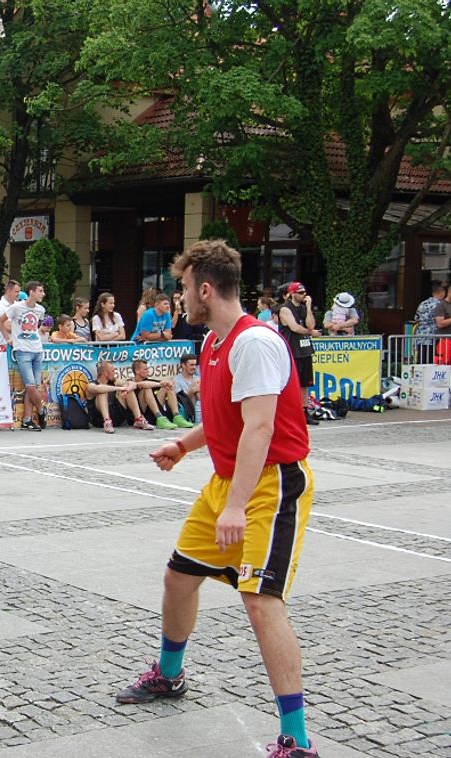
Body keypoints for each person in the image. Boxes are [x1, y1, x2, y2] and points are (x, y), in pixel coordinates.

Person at [117, 239, 317, 758]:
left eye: (184, 289)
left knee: (260, 600)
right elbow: (226, 420)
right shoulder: (212, 343)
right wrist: (183, 444)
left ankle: (296, 741)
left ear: (205, 289)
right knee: (179, 576)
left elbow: (259, 428)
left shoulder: (255, 343)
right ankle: (169, 674)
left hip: (270, 486)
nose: (181, 298)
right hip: (228, 481)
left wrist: (236, 505)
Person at [0, 280, 48, 431]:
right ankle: (41, 409)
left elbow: (35, 328)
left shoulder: (40, 310)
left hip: (37, 349)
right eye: (40, 291)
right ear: (31, 292)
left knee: (33, 386)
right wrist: (7, 337)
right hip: (22, 349)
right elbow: (0, 321)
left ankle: (27, 418)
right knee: (31, 385)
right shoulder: (16, 307)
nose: (42, 294)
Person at [277, 282, 321, 426]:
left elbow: (311, 324)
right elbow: (294, 327)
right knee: (291, 383)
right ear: (292, 293)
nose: (303, 295)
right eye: (300, 293)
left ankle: (304, 410)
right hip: (292, 350)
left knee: (305, 383)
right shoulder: (285, 309)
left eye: (304, 293)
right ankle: (289, 412)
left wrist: (308, 307)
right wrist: (311, 332)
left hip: (305, 348)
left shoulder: (303, 308)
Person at [85, 360, 149, 433]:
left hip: (117, 418)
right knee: (102, 392)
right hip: (99, 420)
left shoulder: (115, 381)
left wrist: (127, 388)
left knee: (128, 390)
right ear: (105, 373)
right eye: (112, 371)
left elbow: (132, 384)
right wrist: (119, 388)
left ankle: (139, 419)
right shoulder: (91, 385)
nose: (114, 373)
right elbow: (98, 388)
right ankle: (107, 422)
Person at [130, 358, 194, 430]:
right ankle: (159, 417)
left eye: (148, 369)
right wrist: (160, 384)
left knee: (167, 387)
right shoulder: (130, 381)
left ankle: (177, 416)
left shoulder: (150, 380)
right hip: (143, 414)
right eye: (145, 369)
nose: (148, 371)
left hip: (153, 411)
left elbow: (166, 383)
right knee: (147, 389)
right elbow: (141, 384)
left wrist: (167, 383)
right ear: (137, 371)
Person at [413, 282, 446, 362]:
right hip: (434, 338)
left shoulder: (423, 303)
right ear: (441, 293)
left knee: (422, 363)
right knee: (432, 364)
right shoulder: (440, 305)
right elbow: (442, 321)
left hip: (421, 338)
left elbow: (416, 319)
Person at [0, 279, 21, 346]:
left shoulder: (18, 305)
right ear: (9, 291)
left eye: (19, 291)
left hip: (18, 345)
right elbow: (7, 326)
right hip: (3, 346)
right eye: (16, 292)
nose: (19, 294)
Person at [173, 353, 201, 423]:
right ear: (183, 365)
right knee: (196, 384)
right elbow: (180, 400)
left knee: (197, 383)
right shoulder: (176, 380)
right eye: (191, 365)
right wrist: (192, 390)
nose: (194, 367)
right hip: (184, 411)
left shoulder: (198, 378)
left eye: (195, 365)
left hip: (199, 407)